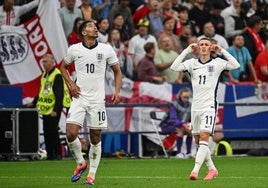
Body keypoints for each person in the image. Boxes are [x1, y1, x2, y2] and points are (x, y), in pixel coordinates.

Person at [60, 19, 122, 185]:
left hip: (97, 101)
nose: (94, 27)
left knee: (95, 137)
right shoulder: (74, 49)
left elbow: (117, 72)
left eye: (95, 26)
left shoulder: (106, 49)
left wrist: (117, 91)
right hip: (79, 98)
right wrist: (71, 84)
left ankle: (91, 175)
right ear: (83, 32)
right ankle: (81, 163)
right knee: (71, 132)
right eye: (90, 26)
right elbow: (63, 67)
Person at [171, 38, 240, 180]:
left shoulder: (217, 63)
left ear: (210, 48)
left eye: (206, 45)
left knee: (204, 137)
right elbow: (174, 67)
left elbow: (236, 65)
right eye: (201, 44)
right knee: (198, 140)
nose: (203, 47)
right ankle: (212, 169)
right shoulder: (191, 63)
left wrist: (222, 51)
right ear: (197, 47)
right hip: (195, 107)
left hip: (209, 106)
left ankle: (195, 171)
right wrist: (186, 51)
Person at [27, 54, 71, 160]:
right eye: (43, 62)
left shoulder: (57, 75)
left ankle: (58, 153)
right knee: (47, 131)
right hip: (46, 108)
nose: (44, 64)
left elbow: (59, 94)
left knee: (53, 131)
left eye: (46, 61)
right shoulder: (45, 75)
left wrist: (56, 109)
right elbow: (42, 91)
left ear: (52, 62)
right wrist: (34, 102)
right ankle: (50, 154)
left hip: (54, 109)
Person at [160, 87, 193, 159]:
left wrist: (189, 125)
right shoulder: (174, 104)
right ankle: (178, 153)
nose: (186, 99)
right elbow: (173, 119)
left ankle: (188, 153)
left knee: (190, 131)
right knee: (180, 130)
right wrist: (183, 125)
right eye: (184, 97)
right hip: (167, 125)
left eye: (188, 97)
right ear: (180, 95)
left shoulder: (190, 105)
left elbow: (190, 119)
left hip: (182, 126)